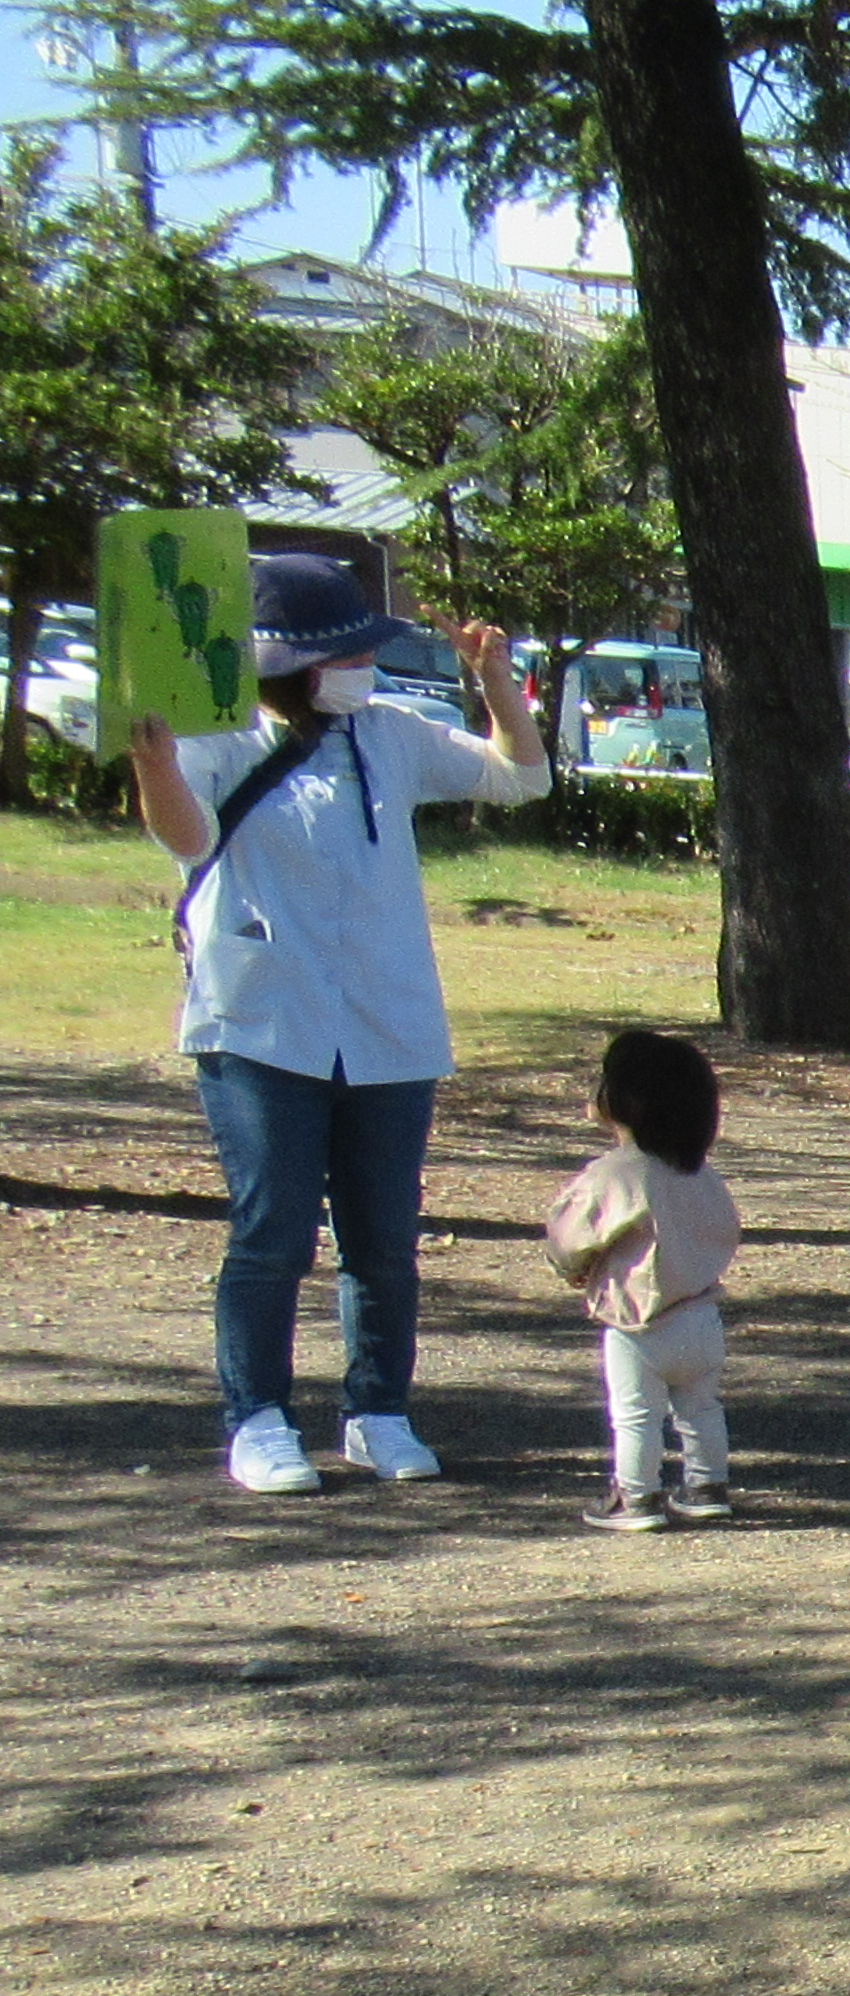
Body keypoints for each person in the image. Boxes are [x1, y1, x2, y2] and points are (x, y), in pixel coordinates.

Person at [129, 551, 553, 1495]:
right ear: (287, 664)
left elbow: (520, 779)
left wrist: (495, 682)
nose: (363, 667)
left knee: (383, 1237)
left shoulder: (388, 733)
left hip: (388, 1022)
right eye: (345, 653)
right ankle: (259, 1418)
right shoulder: (218, 735)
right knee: (272, 1228)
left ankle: (378, 1412)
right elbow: (187, 837)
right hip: (261, 1022)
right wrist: (156, 765)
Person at [538, 1027, 741, 1533]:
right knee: (700, 1408)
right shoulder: (699, 1172)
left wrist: (573, 1268)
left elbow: (570, 1237)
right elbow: (724, 1230)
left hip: (639, 1324)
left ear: (624, 1101)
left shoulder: (617, 1173)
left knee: (635, 1415)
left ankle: (636, 1495)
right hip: (701, 1315)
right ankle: (706, 1485)